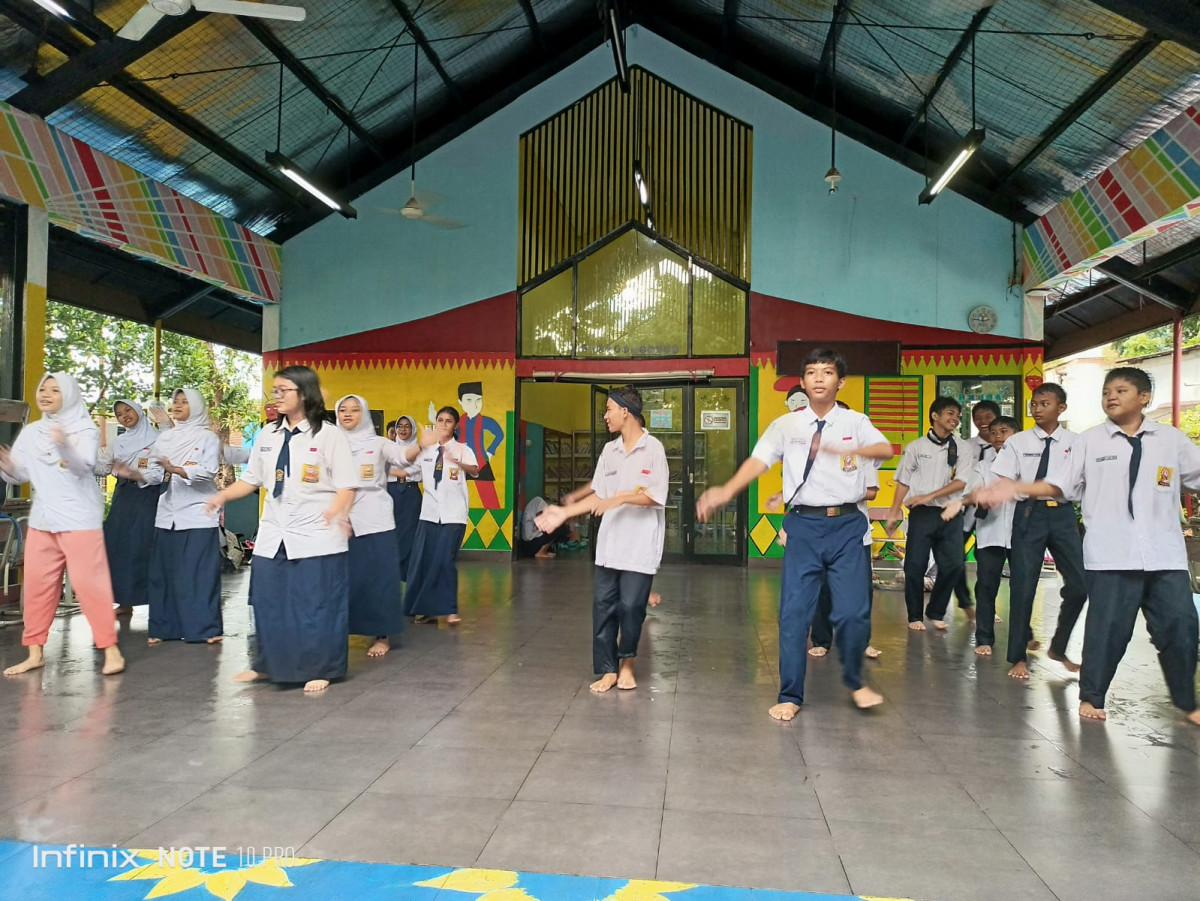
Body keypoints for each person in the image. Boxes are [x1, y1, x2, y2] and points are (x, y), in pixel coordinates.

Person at [977, 368, 1200, 725]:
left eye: (1121, 390)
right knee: (1107, 631)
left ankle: (1187, 702)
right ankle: (1091, 696)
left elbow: (1195, 476)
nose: (1111, 396)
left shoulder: (1170, 439)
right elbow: (1059, 484)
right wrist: (1014, 488)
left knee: (1182, 628)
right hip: (1111, 554)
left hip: (1164, 554)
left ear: (1144, 397)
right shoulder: (1090, 441)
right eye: (1107, 391)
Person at [698, 349, 892, 718]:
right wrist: (726, 490)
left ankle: (856, 681)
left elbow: (884, 448)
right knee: (793, 615)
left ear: (840, 382)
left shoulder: (855, 422)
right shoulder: (786, 426)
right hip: (804, 525)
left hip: (848, 525)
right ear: (802, 382)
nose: (819, 378)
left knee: (853, 612)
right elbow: (759, 460)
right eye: (812, 372)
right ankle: (790, 695)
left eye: (828, 372)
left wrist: (845, 447)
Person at [207, 365, 355, 692]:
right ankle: (268, 664)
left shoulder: (329, 435)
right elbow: (251, 480)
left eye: (284, 390)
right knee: (268, 600)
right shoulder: (268, 435)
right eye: (275, 390)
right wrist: (222, 496)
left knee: (315, 605)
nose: (277, 396)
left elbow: (347, 485)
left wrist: (337, 511)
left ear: (304, 393)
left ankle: (321, 668)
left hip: (317, 535)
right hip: (274, 533)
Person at [535, 386, 667, 692]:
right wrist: (563, 512)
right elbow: (599, 495)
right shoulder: (609, 451)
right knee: (604, 607)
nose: (605, 415)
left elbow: (655, 495)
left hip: (640, 545)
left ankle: (627, 663)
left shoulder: (653, 449)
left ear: (625, 411)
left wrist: (620, 498)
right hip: (610, 545)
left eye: (609, 409)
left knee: (631, 607)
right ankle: (608, 669)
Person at [0, 373, 125, 676]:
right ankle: (35, 653)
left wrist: (64, 445)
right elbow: (21, 474)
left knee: (89, 585)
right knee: (37, 587)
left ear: (68, 395)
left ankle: (111, 651)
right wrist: (8, 467)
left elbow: (83, 466)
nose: (46, 394)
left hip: (79, 518)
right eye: (43, 388)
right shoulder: (32, 432)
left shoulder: (84, 429)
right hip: (43, 518)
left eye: (55, 390)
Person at [987, 383, 1087, 679]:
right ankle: (1018, 657)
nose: (1037, 409)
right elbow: (1005, 479)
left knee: (1081, 585)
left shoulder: (1077, 442)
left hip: (1064, 515)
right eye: (1034, 404)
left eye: (1045, 404)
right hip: (1029, 513)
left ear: (1061, 408)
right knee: (1023, 585)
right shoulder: (1018, 442)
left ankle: (1058, 647)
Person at [886, 397, 973, 632]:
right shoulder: (916, 447)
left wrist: (929, 495)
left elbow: (961, 481)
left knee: (954, 565)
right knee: (915, 565)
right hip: (921, 514)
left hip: (950, 512)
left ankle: (935, 611)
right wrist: (894, 512)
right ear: (935, 416)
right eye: (950, 413)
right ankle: (914, 615)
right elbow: (903, 481)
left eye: (958, 415)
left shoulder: (963, 448)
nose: (955, 418)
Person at [144, 388, 223, 645]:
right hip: (167, 514)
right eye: (175, 401)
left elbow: (208, 471)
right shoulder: (165, 437)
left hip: (198, 514)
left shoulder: (208, 438)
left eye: (184, 402)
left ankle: (206, 628)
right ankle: (163, 627)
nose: (177, 405)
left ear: (197, 406)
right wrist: (135, 474)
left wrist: (176, 469)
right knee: (163, 574)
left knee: (198, 574)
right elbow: (154, 472)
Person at [941, 415, 1019, 656]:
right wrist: (976, 497)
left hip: (1022, 535)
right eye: (993, 432)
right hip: (990, 533)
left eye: (1003, 431)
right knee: (986, 586)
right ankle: (984, 638)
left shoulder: (1028, 464)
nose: (997, 436)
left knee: (1023, 587)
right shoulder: (984, 466)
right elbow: (972, 492)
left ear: (1016, 435)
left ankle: (1024, 635)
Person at [337, 395, 406, 657]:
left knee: (378, 579)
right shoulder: (331, 442)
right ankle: (339, 629)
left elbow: (402, 457)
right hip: (341, 521)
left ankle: (382, 635)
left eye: (354, 410)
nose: (347, 414)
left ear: (364, 414)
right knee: (343, 579)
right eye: (342, 409)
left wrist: (420, 446)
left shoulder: (379, 443)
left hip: (375, 520)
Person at [404, 407, 478, 625]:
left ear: (455, 426)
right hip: (429, 514)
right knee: (424, 561)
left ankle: (450, 609)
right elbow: (409, 470)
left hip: (454, 515)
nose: (443, 424)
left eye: (448, 421)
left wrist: (456, 460)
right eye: (440, 420)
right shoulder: (427, 450)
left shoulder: (463, 449)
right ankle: (429, 611)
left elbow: (475, 470)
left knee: (445, 560)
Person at [96, 399, 162, 616]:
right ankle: (124, 601)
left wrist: (135, 474)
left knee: (143, 546)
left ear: (139, 411)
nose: (124, 415)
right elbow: (103, 467)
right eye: (119, 414)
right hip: (123, 496)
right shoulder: (119, 442)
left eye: (128, 410)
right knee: (118, 545)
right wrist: (80, 462)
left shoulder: (157, 438)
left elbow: (159, 474)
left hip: (147, 497)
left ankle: (156, 600)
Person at [951, 400, 999, 618]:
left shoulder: (1008, 447)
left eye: (987, 417)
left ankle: (986, 607)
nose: (982, 421)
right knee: (955, 558)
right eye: (977, 418)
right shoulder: (965, 446)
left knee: (987, 562)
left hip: (995, 512)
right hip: (966, 509)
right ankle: (965, 602)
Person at [455, 382, 503, 509]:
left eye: (478, 400)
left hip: (481, 462)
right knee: (459, 498)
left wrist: (490, 451)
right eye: (469, 400)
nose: (475, 405)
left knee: (490, 501)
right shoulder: (458, 422)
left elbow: (500, 434)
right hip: (461, 464)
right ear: (460, 402)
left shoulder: (484, 420)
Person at [387, 415, 422, 581]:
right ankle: (391, 570)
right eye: (400, 426)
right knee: (391, 531)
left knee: (410, 533)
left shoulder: (420, 450)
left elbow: (423, 473)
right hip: (390, 492)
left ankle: (407, 572)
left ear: (413, 429)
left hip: (410, 493)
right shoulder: (388, 449)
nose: (403, 429)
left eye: (407, 426)